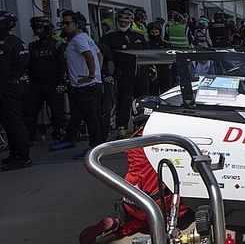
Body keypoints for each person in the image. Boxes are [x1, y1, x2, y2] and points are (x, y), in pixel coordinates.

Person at [78, 97, 192, 244]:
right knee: (191, 186)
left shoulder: (131, 143)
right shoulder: (166, 140)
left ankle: (119, 225)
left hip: (133, 202)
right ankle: (169, 224)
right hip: (160, 204)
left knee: (141, 218)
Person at [50, 12, 104, 159]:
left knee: (91, 117)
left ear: (77, 24)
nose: (64, 26)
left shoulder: (78, 40)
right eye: (64, 23)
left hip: (86, 86)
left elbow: (90, 56)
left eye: (68, 23)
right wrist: (96, 75)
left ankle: (95, 148)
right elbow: (99, 56)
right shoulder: (85, 37)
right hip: (87, 85)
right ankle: (70, 139)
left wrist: (91, 75)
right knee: (77, 115)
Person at [100, 8, 150, 139]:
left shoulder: (138, 36)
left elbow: (148, 54)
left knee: (141, 100)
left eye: (126, 21)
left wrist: (151, 69)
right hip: (122, 74)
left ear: (131, 21)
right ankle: (121, 127)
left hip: (140, 73)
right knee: (123, 101)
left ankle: (140, 125)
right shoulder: (109, 37)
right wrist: (106, 73)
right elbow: (103, 56)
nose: (123, 24)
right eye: (120, 21)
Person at [24, 16, 67, 144]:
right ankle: (30, 135)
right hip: (37, 84)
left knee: (57, 110)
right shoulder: (32, 46)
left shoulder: (58, 44)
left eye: (42, 28)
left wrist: (61, 82)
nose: (39, 31)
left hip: (53, 82)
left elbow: (62, 64)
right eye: (37, 28)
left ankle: (58, 133)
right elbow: (29, 66)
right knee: (32, 110)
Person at [0, 11, 32, 170]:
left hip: (10, 89)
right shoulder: (18, 41)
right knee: (13, 122)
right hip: (21, 86)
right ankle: (15, 154)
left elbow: (2, 71)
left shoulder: (4, 44)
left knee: (14, 123)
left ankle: (23, 157)